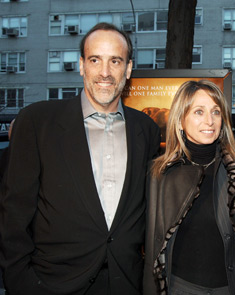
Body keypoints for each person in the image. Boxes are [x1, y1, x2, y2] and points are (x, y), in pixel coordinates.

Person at [0, 22, 160, 295]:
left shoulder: (146, 129)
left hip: (126, 283)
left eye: (115, 61)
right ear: (82, 65)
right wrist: (22, 283)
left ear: (129, 69)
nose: (105, 72)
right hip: (52, 284)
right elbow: (13, 214)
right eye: (95, 60)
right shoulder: (38, 122)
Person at [143, 80, 235, 295]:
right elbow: (152, 245)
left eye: (216, 112)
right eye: (199, 112)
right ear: (180, 120)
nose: (209, 121)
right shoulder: (160, 174)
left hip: (230, 288)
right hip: (180, 288)